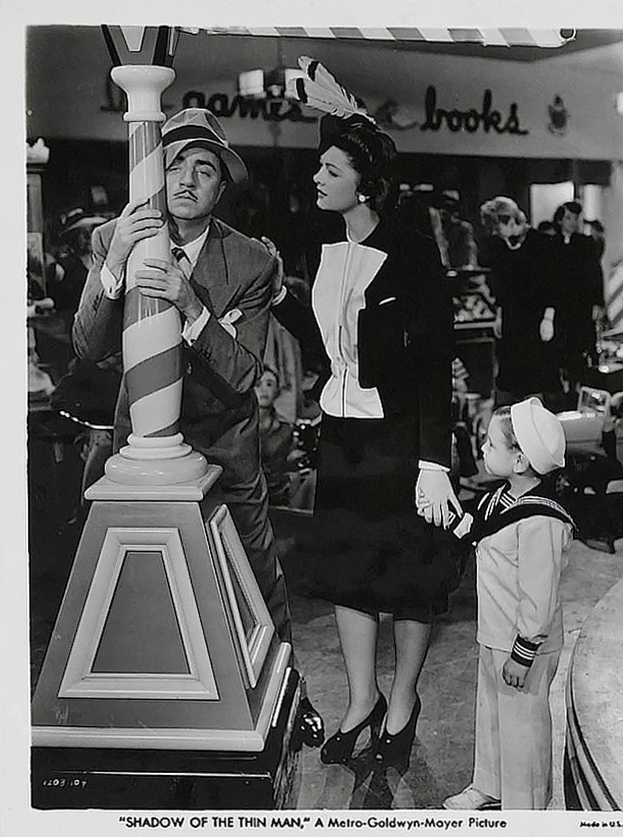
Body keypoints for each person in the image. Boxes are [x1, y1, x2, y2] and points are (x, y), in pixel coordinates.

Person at [72, 107, 323, 748]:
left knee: (256, 572)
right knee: (137, 580)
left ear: (220, 187)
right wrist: (115, 263)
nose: (186, 179)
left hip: (225, 446)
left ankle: (289, 695)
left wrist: (189, 304)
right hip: (142, 446)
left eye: (204, 169)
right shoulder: (114, 236)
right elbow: (88, 347)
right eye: (176, 163)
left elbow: (242, 373)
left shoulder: (250, 262)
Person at [271, 56, 460, 770]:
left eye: (330, 169)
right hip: (343, 439)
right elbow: (330, 349)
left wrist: (434, 462)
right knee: (348, 573)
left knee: (407, 578)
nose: (316, 178)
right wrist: (280, 300)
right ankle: (361, 700)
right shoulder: (320, 245)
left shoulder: (412, 253)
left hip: (400, 442)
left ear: (365, 183)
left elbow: (433, 363)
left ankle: (402, 701)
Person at [443, 397, 574, 810]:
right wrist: (447, 517)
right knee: (493, 716)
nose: (482, 448)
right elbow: (480, 532)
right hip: (495, 634)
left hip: (524, 645)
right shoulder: (498, 499)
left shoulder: (541, 520)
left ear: (519, 461)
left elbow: (539, 597)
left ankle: (524, 807)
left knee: (523, 729)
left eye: (490, 443)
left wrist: (523, 653)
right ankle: (490, 785)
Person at [478, 196, 565, 410]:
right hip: (511, 319)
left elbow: (553, 284)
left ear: (510, 220)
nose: (495, 233)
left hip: (537, 319)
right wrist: (499, 315)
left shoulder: (542, 243)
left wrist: (548, 318)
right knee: (510, 376)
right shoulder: (501, 247)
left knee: (535, 375)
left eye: (497, 227)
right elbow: (502, 285)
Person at [551, 201, 606, 392]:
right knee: (561, 346)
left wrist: (598, 303)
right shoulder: (551, 244)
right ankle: (564, 389)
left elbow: (595, 274)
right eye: (568, 218)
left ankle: (584, 387)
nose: (573, 222)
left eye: (576, 218)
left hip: (582, 304)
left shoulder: (586, 243)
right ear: (560, 220)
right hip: (560, 305)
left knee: (583, 344)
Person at [255, 366, 300, 506]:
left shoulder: (286, 430)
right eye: (258, 385)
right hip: (250, 497)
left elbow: (289, 468)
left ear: (277, 391)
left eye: (269, 384)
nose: (263, 390)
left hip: (278, 496)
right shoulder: (241, 429)